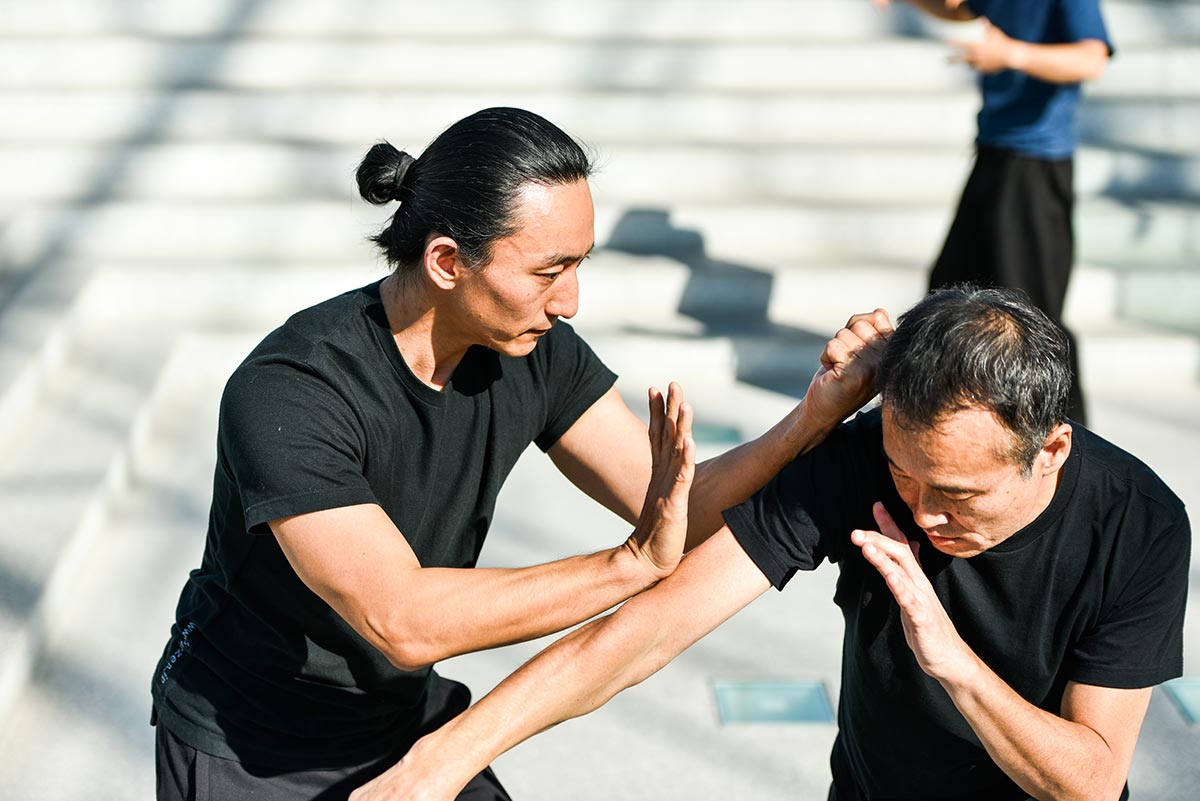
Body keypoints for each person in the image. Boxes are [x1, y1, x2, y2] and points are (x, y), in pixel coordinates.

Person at [149, 106, 889, 801]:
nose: (569, 300)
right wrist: (628, 564)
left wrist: (814, 414)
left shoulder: (534, 351)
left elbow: (672, 510)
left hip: (403, 719)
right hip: (251, 746)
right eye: (547, 271)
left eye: (579, 266)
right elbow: (403, 619)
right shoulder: (294, 389)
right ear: (445, 260)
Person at [364, 286, 1191, 801]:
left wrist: (953, 661)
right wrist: (442, 759)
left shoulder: (1139, 523)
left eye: (960, 493)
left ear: (1049, 449)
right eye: (908, 475)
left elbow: (1090, 779)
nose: (925, 510)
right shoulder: (863, 462)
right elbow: (645, 629)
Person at [881, 0, 1112, 425]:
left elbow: (1091, 58)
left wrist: (1011, 55)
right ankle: (944, 417)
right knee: (948, 291)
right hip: (994, 152)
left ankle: (1072, 439)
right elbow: (959, 9)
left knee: (1035, 315)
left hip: (1037, 162)